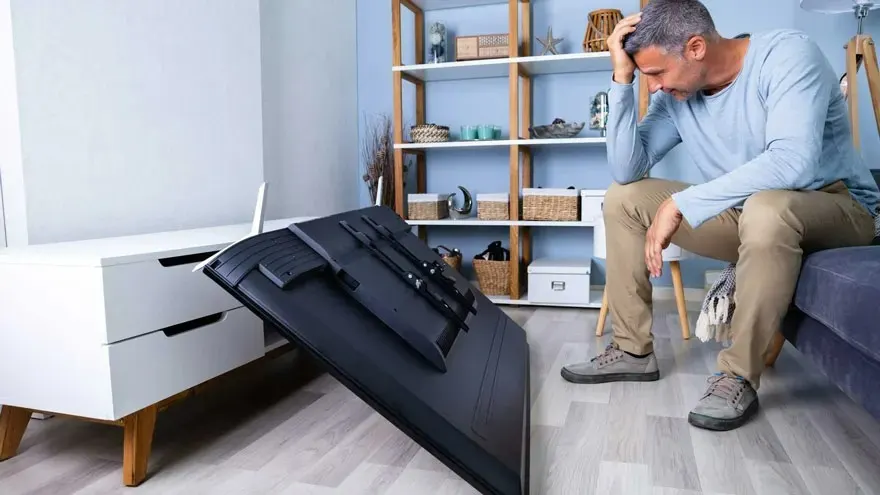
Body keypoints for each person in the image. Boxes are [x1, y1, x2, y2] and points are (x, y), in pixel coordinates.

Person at [561, 0, 880, 431]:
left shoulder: (787, 56)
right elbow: (626, 168)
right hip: (753, 214)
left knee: (768, 207)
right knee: (623, 197)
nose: (651, 87)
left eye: (655, 73)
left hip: (840, 207)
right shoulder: (678, 97)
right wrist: (621, 78)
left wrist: (681, 204)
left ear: (695, 48)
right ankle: (633, 349)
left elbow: (793, 163)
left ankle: (737, 374)